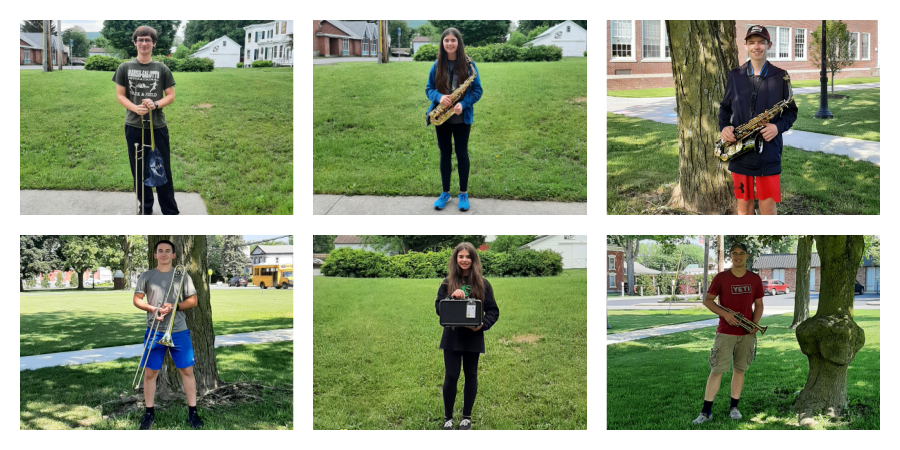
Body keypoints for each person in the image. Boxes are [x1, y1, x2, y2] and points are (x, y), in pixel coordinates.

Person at [718, 25, 798, 215]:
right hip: (739, 150)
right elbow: (724, 108)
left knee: (768, 207)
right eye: (752, 42)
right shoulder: (735, 75)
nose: (756, 46)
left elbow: (791, 112)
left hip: (768, 151)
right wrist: (724, 127)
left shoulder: (781, 76)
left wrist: (777, 127)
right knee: (743, 206)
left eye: (761, 42)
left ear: (768, 45)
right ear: (745, 45)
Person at [133, 240, 203, 429]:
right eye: (160, 251)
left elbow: (193, 300)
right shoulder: (147, 276)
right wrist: (152, 309)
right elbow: (136, 299)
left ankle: (193, 413)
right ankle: (149, 414)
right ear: (155, 255)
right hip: (154, 332)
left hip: (178, 330)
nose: (163, 254)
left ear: (173, 255)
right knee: (150, 373)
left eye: (168, 251)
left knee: (187, 371)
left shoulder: (182, 275)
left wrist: (175, 306)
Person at [692, 243, 764, 424]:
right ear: (730, 256)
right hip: (725, 332)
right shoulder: (722, 277)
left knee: (739, 370)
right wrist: (726, 315)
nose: (738, 257)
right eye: (734, 253)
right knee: (717, 370)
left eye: (741, 253)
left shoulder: (754, 279)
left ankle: (734, 408)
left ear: (747, 256)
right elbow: (707, 300)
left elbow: (759, 304)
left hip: (746, 334)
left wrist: (755, 324)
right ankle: (706, 412)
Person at [113, 25, 179, 215]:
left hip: (157, 127)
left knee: (163, 168)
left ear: (154, 43)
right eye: (140, 39)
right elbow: (120, 95)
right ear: (135, 43)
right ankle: (146, 208)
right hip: (134, 126)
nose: (144, 43)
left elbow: (171, 96)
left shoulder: (162, 68)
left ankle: (170, 211)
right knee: (139, 171)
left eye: (147, 40)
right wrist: (135, 108)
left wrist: (156, 104)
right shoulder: (124, 67)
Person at [435, 242, 499, 429]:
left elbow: (493, 312)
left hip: (473, 338)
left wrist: (481, 326)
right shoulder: (447, 283)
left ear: (473, 259)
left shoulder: (483, 283)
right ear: (456, 259)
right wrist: (451, 298)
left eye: (468, 256)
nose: (464, 260)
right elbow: (439, 309)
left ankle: (466, 417)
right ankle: (448, 418)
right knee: (451, 376)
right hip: (452, 337)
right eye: (461, 256)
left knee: (471, 375)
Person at [425, 28, 483, 212]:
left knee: (462, 153)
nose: (449, 43)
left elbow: (477, 90)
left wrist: (464, 104)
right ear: (442, 44)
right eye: (446, 40)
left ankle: (463, 193)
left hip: (461, 118)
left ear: (459, 43)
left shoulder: (469, 66)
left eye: (453, 40)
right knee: (445, 155)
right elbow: (428, 89)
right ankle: (445, 193)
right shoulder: (437, 65)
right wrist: (439, 97)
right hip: (442, 118)